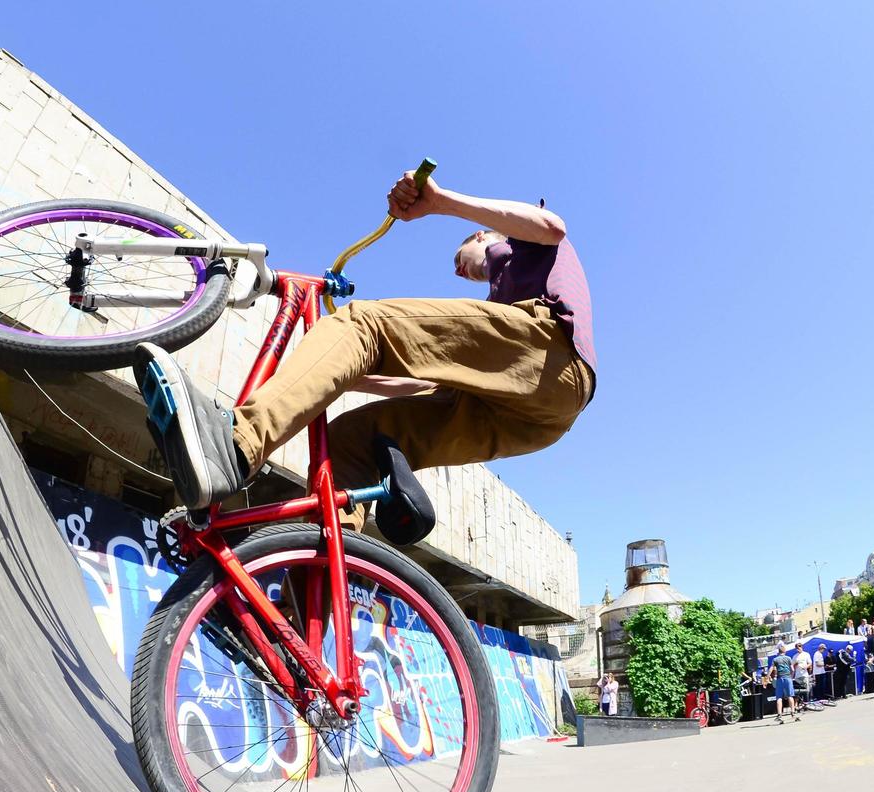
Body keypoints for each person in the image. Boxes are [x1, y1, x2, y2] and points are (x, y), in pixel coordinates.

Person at [134, 170, 595, 544]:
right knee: (349, 443)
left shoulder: (516, 243)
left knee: (364, 322)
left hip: (552, 354)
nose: (462, 269)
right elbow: (420, 383)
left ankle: (236, 444)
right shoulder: (499, 312)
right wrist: (344, 369)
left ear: (478, 235)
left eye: (463, 255)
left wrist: (439, 203)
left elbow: (553, 226)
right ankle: (298, 608)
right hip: (532, 417)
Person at [770, 644, 799, 723]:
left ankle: (779, 715)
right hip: (788, 678)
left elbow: (771, 668)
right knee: (790, 696)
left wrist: (767, 676)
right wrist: (791, 676)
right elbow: (792, 669)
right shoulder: (788, 658)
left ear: (779, 652)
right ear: (785, 651)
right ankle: (793, 713)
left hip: (780, 679)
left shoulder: (775, 659)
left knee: (779, 697)